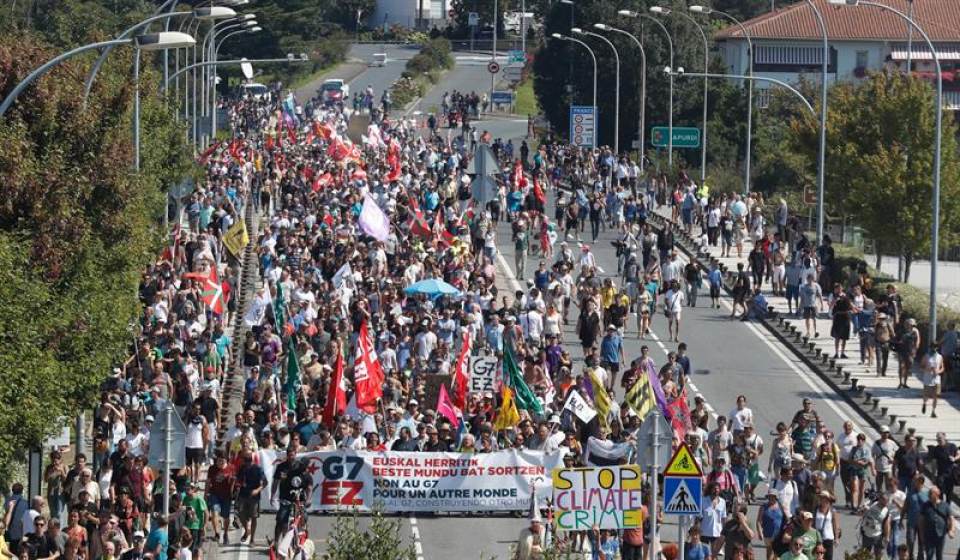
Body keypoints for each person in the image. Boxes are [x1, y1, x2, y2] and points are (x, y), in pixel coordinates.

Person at [919, 487, 954, 560]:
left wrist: (951, 530)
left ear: (937, 494)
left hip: (940, 535)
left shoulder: (945, 505)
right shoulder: (925, 505)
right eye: (929, 493)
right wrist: (921, 534)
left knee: (939, 555)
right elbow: (921, 520)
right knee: (929, 555)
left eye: (931, 493)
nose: (929, 495)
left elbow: (951, 519)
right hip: (929, 535)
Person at [861, 492, 891, 560]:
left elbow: (887, 525)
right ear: (880, 499)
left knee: (878, 555)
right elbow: (860, 513)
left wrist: (887, 537)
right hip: (866, 534)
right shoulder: (871, 504)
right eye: (884, 502)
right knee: (865, 555)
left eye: (886, 503)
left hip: (877, 535)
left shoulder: (886, 511)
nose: (885, 505)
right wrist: (864, 510)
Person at [814, 492, 840, 560]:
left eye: (824, 498)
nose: (823, 499)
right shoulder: (815, 509)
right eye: (821, 498)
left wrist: (836, 538)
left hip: (828, 538)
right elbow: (812, 523)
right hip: (817, 538)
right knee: (818, 558)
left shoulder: (832, 511)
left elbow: (836, 525)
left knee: (828, 557)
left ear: (828, 499)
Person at [920, 345, 944, 418]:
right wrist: (927, 370)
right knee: (926, 395)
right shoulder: (926, 356)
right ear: (930, 347)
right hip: (927, 379)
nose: (934, 349)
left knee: (936, 396)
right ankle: (924, 403)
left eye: (936, 347)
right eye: (933, 347)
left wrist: (938, 371)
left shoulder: (940, 357)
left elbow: (942, 367)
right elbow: (921, 367)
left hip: (936, 379)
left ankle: (933, 412)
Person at [799, 275, 823, 340]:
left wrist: (821, 304)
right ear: (807, 279)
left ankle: (815, 331)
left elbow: (820, 295)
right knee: (807, 319)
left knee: (814, 318)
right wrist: (800, 307)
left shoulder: (816, 286)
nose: (810, 280)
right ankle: (808, 331)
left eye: (811, 279)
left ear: (813, 279)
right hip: (806, 305)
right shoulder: (804, 287)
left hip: (813, 305)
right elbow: (802, 298)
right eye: (808, 279)